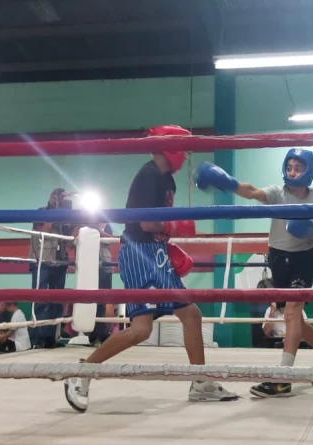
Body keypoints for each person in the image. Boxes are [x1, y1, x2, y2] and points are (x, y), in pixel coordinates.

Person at [63, 125, 239, 412]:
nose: (185, 155)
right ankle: (81, 373)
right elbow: (145, 223)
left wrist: (167, 241)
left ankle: (200, 383)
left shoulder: (167, 180)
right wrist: (176, 226)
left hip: (155, 252)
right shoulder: (149, 176)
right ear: (171, 147)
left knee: (191, 315)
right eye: (183, 148)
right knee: (141, 329)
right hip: (138, 253)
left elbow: (157, 225)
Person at [194, 147, 313, 398]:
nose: (292, 172)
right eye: (289, 167)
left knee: (292, 312)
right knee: (295, 318)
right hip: (278, 257)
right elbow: (254, 192)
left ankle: (283, 378)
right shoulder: (278, 192)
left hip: (304, 258)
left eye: (298, 168)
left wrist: (310, 230)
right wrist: (229, 183)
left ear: (308, 170)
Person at [29, 188, 73, 349]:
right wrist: (56, 209)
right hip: (42, 260)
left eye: (64, 198)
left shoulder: (66, 215)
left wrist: (71, 218)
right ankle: (37, 339)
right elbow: (45, 228)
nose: (62, 200)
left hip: (59, 261)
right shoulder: (42, 211)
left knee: (56, 300)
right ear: (52, 197)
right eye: (60, 197)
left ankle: (51, 338)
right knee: (40, 299)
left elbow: (69, 236)